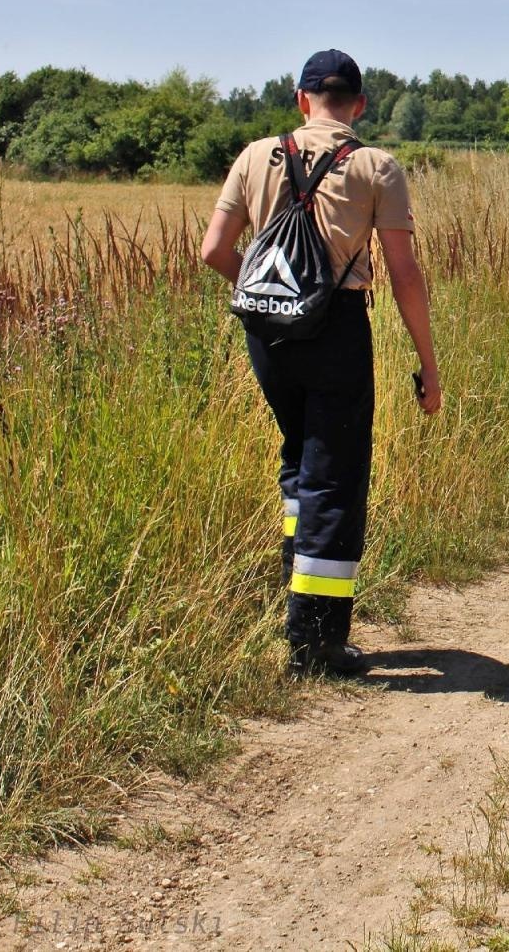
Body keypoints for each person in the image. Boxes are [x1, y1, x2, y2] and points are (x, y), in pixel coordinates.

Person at [200, 49, 442, 677]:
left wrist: (273, 296)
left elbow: (214, 250)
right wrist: (428, 363)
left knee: (299, 455)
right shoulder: (375, 166)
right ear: (359, 104)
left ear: (300, 99)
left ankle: (294, 590)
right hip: (336, 327)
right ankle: (315, 642)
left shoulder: (255, 155)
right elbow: (404, 274)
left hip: (267, 331)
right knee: (335, 475)